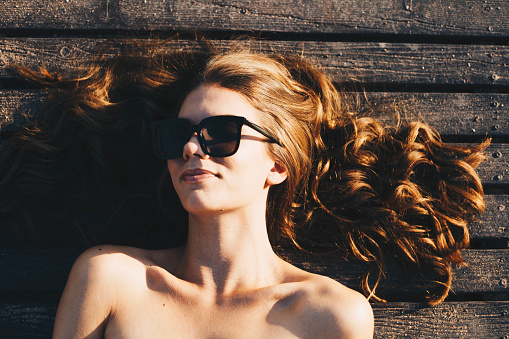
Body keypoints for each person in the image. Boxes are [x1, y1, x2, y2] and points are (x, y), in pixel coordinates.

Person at [0, 40, 487, 338]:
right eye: (178, 135)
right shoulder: (111, 278)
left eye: (220, 133)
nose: (192, 148)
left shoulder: (331, 315)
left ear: (277, 163)